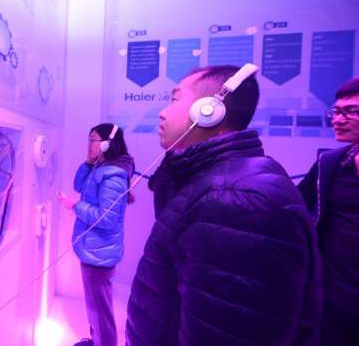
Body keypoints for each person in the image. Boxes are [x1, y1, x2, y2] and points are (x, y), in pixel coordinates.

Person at [126, 65, 321, 345]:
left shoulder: (235, 200)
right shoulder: (217, 183)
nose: (163, 112)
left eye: (174, 99)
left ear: (209, 111)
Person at [57, 123, 135, 346]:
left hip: (99, 253)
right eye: (89, 139)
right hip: (93, 249)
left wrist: (74, 206)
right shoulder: (100, 168)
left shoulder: (113, 176)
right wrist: (88, 162)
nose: (89, 144)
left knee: (100, 311)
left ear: (107, 143)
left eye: (93, 139)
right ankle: (96, 341)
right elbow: (79, 185)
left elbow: (105, 219)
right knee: (95, 307)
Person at [298, 76, 359, 345]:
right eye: (336, 111)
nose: (337, 120)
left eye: (351, 111)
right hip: (334, 300)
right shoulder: (331, 164)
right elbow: (295, 208)